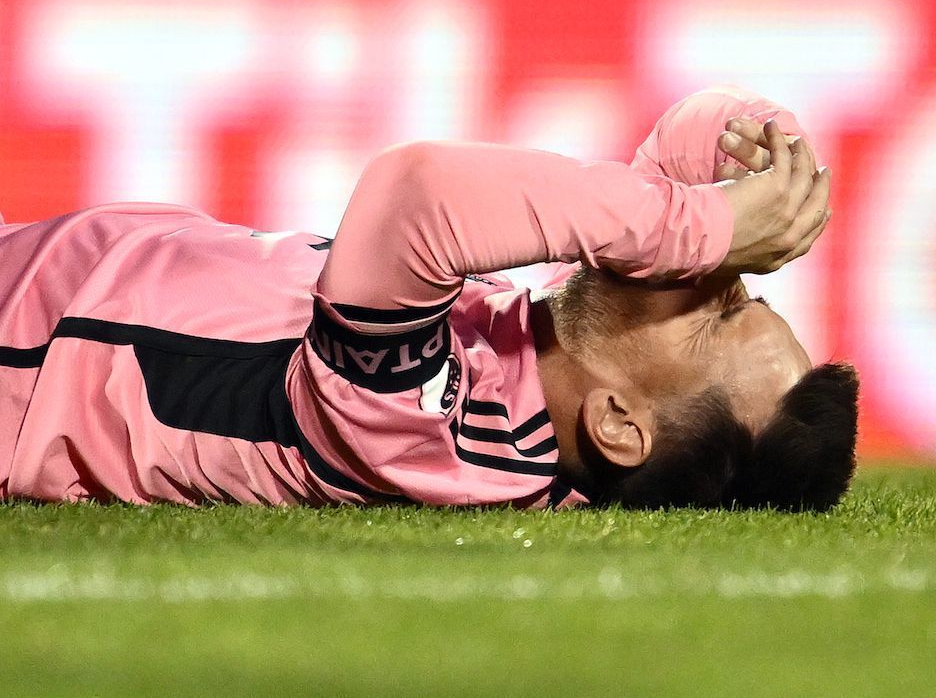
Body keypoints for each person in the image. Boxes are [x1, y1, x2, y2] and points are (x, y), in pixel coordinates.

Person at [0, 87, 856, 511]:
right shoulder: (540, 370)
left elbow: (416, 196)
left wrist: (699, 226)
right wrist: (767, 152)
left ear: (620, 425)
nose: (714, 274)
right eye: (743, 285)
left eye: (719, 312)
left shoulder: (449, 436)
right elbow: (681, 146)